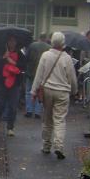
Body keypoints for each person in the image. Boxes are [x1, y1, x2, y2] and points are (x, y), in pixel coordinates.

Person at [31, 32, 78, 160]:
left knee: (47, 119)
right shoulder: (67, 58)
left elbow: (39, 75)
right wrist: (74, 91)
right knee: (59, 120)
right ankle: (59, 146)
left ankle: (46, 145)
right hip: (62, 92)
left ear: (51, 42)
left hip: (47, 90)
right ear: (63, 43)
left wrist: (34, 91)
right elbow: (72, 78)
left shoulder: (45, 55)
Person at [0, 35, 26, 136]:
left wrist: (11, 61)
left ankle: (10, 127)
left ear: (16, 42)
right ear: (7, 42)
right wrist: (3, 57)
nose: (12, 43)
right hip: (0, 82)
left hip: (15, 83)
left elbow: (23, 66)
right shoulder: (1, 51)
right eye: (10, 41)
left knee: (12, 106)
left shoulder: (20, 53)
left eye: (14, 41)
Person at [24, 33, 50, 118]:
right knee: (40, 92)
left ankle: (29, 110)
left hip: (31, 72)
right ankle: (37, 112)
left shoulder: (32, 46)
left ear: (39, 37)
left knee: (29, 92)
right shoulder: (48, 48)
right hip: (42, 74)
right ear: (46, 38)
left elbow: (26, 58)